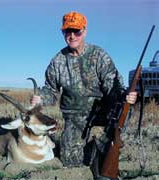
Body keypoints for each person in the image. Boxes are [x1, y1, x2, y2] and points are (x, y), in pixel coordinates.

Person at [31, 11, 137, 173]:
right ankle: (90, 147)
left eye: (77, 31)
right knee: (70, 160)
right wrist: (40, 99)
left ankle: (106, 141)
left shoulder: (99, 55)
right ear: (63, 33)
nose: (72, 36)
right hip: (74, 118)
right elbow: (50, 91)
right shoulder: (57, 61)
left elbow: (113, 86)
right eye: (68, 31)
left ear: (84, 31)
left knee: (120, 114)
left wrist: (125, 96)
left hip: (102, 112)